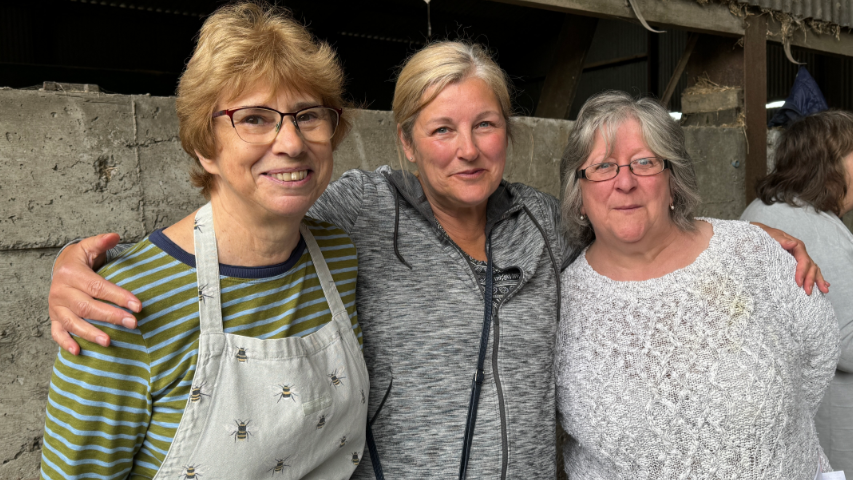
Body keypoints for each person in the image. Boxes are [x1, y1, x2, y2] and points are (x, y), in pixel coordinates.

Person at [45, 42, 827, 478]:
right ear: (407, 138)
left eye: (484, 125)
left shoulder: (541, 227)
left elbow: (631, 207)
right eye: (441, 129)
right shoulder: (356, 209)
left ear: (509, 135)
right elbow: (248, 204)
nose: (466, 148)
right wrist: (83, 265)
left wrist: (755, 234)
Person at [40, 3, 368, 479]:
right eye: (254, 118)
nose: (293, 142)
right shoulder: (121, 306)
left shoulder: (338, 256)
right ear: (203, 145)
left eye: (309, 116)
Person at [556, 91, 840, 478]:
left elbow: (819, 349)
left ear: (673, 181)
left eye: (645, 162)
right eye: (603, 167)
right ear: (580, 194)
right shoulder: (556, 303)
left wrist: (765, 442)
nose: (625, 182)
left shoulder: (751, 253)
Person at [740, 110, 853, 474]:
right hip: (832, 428)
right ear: (831, 164)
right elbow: (848, 344)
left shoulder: (763, 211)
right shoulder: (812, 229)